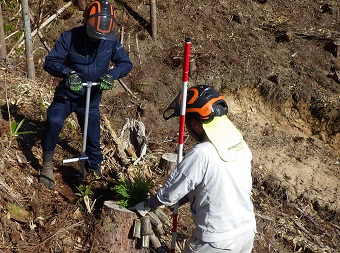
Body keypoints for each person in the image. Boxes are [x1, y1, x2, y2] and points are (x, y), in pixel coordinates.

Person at [131, 85, 256, 252]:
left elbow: (171, 191)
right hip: (246, 232)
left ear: (196, 123)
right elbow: (216, 185)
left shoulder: (201, 153)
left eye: (187, 123)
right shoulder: (238, 144)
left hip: (216, 241)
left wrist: (147, 205)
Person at [40, 0, 133, 189]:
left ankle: (94, 173)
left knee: (93, 137)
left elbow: (126, 63)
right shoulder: (69, 37)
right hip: (67, 95)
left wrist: (112, 74)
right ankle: (47, 164)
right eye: (94, 35)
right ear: (86, 22)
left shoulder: (111, 41)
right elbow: (50, 61)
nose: (98, 38)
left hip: (90, 99)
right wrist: (68, 73)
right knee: (54, 120)